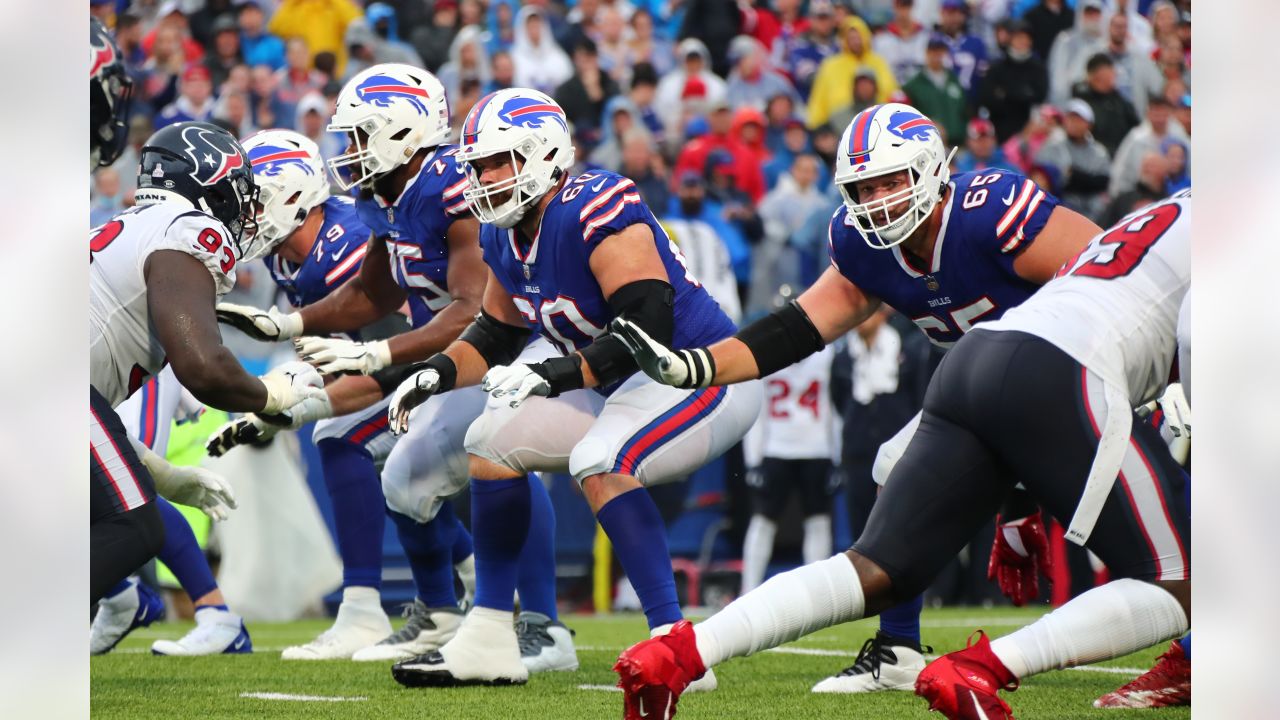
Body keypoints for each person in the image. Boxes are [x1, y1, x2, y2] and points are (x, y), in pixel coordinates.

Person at [610, 135, 1190, 719]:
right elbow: (795, 328)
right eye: (866, 188)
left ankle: (681, 653)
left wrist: (1020, 495)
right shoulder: (865, 246)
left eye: (893, 182)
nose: (881, 201)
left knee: (874, 566)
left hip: (979, 370)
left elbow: (1099, 275)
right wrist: (702, 364)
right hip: (1060, 368)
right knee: (1186, 578)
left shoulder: (990, 208)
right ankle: (972, 667)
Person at [382, 88, 763, 688]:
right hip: (618, 386)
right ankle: (489, 637)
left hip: (700, 374)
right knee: (490, 442)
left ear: (542, 155)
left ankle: (675, 646)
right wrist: (434, 373)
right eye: (476, 166)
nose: (481, 180)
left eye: (493, 163)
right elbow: (494, 334)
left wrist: (552, 373)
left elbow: (646, 329)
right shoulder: (500, 235)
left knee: (600, 458)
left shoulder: (596, 203)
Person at [214, 68, 570, 671]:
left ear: (403, 131)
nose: (349, 153)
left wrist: (374, 358)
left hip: (521, 342)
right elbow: (372, 293)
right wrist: (291, 326)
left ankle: (541, 623)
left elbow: (469, 307)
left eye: (360, 136)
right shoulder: (385, 196)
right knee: (404, 483)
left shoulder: (449, 186)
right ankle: (441, 614)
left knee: (505, 453)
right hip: (464, 354)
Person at [90, 120, 323, 603]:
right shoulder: (186, 229)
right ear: (205, 180)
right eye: (236, 189)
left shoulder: (129, 228)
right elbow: (203, 367)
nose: (244, 206)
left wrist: (166, 474)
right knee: (134, 526)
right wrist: (273, 395)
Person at [93, 368, 253, 656]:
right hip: (94, 377)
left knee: (132, 486)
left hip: (135, 367)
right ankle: (120, 596)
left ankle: (215, 614)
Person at [740, 288, 838, 594]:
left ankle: (815, 595)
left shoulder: (828, 354)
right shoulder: (770, 355)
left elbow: (833, 410)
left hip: (813, 448)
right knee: (765, 521)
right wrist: (754, 459)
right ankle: (748, 589)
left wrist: (836, 455)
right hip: (779, 447)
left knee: (817, 520)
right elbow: (757, 411)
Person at [807, 15, 897, 130]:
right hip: (839, 126)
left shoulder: (878, 62)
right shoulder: (831, 65)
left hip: (880, 123)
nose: (856, 42)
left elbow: (891, 91)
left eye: (859, 37)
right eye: (851, 38)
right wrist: (815, 126)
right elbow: (819, 99)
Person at [1035, 99, 1111, 221]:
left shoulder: (1099, 152)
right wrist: (1085, 180)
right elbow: (1044, 179)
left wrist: (1077, 177)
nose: (1073, 123)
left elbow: (1103, 182)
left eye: (1079, 120)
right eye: (1070, 118)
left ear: (1089, 124)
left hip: (1091, 210)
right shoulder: (1053, 145)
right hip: (1059, 207)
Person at [978, 21, 1048, 143]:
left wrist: (1006, 94)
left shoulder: (1038, 68)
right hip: (1001, 129)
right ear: (1010, 39)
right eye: (1018, 37)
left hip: (1029, 131)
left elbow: (1039, 97)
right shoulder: (997, 67)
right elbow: (988, 99)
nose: (1022, 42)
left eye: (1026, 38)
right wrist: (1022, 95)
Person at [1109, 94, 1187, 197]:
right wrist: (1115, 195)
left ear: (1170, 114)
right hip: (1139, 192)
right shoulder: (1136, 137)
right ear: (1148, 114)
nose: (1160, 119)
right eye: (1156, 115)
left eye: (1163, 114)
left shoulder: (1180, 136)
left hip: (1174, 191)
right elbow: (1120, 169)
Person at [901, 35, 966, 146]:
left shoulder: (954, 80)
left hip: (957, 143)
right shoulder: (914, 85)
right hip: (929, 144)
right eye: (933, 51)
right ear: (927, 53)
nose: (937, 55)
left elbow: (964, 111)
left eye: (940, 51)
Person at [1072, 53, 1139, 157]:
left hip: (1121, 155)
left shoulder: (1118, 99)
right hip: (1093, 156)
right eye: (1104, 77)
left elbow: (1135, 126)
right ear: (1092, 76)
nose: (1111, 80)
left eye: (1112, 75)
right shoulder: (1081, 102)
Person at [1047, 0, 1108, 106]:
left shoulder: (1105, 45)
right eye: (1088, 13)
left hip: (1096, 103)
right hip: (1066, 101)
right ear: (1080, 14)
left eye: (1096, 13)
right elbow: (1056, 78)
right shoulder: (1065, 40)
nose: (1092, 17)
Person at [873, 0, 928, 86]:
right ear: (894, 7)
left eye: (907, 5)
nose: (904, 11)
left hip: (921, 92)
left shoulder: (926, 38)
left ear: (912, 6)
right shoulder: (881, 40)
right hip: (892, 93)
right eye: (900, 5)